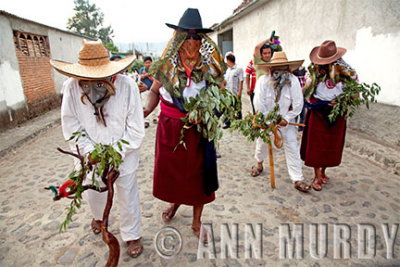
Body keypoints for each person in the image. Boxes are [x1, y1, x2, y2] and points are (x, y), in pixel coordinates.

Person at [50, 40, 145, 258]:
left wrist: (118, 152)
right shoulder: (71, 87)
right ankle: (99, 217)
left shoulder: (127, 86)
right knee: (93, 191)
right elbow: (71, 124)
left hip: (124, 154)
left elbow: (136, 128)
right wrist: (88, 151)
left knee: (127, 193)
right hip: (89, 156)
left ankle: (131, 234)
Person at [143, 8, 226, 239]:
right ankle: (176, 203)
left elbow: (222, 96)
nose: (190, 41)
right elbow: (153, 92)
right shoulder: (166, 65)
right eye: (185, 36)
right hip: (170, 129)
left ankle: (197, 221)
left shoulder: (210, 67)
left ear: (201, 40)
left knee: (200, 176)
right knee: (176, 175)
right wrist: (146, 109)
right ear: (177, 37)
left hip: (199, 131)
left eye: (195, 37)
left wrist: (208, 112)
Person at [300, 40, 357, 191]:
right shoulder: (313, 72)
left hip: (337, 112)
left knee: (330, 145)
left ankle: (323, 172)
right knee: (316, 145)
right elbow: (306, 91)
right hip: (318, 110)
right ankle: (317, 176)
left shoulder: (347, 72)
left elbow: (354, 94)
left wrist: (341, 102)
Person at [251, 51, 311, 192]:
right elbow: (258, 103)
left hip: (286, 122)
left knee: (292, 146)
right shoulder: (263, 82)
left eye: (283, 69)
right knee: (261, 144)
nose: (279, 72)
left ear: (287, 69)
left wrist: (287, 118)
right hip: (267, 122)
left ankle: (297, 178)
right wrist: (268, 120)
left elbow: (298, 104)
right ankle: (259, 164)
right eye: (276, 69)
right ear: (271, 69)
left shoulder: (293, 81)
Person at [223, 53, 243, 128]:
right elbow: (225, 81)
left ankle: (239, 123)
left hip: (235, 92)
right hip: (228, 93)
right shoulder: (228, 70)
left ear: (229, 60)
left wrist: (240, 91)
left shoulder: (239, 69)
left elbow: (241, 80)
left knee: (237, 108)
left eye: (227, 61)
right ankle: (227, 123)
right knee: (227, 108)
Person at [139, 56, 156, 128]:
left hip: (153, 91)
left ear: (151, 63)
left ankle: (155, 118)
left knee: (154, 105)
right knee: (145, 105)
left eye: (149, 62)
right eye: (146, 63)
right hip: (144, 91)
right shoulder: (142, 69)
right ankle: (146, 121)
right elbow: (139, 77)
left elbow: (156, 80)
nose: (148, 64)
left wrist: (146, 75)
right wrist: (147, 74)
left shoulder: (154, 69)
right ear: (144, 64)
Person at [293, 66, 307, 131]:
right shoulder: (300, 78)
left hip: (300, 97)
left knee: (299, 114)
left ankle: (296, 127)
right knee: (301, 114)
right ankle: (299, 128)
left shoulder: (297, 78)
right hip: (300, 97)